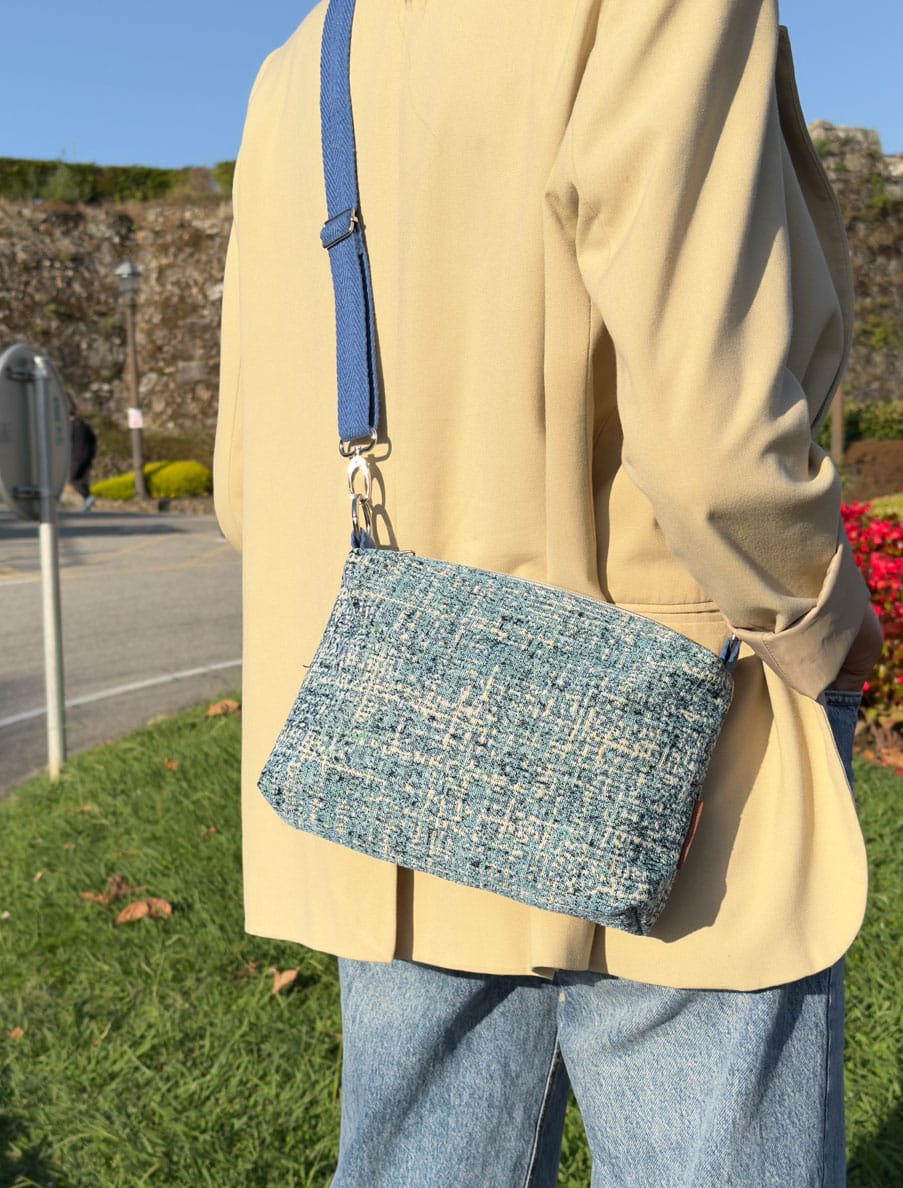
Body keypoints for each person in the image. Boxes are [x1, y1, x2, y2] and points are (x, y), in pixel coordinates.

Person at [214, 1, 883, 1183]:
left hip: (400, 733)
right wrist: (822, 621)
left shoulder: (303, 61)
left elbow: (243, 483)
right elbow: (715, 437)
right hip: (672, 722)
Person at [68, 404, 97, 511]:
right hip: (88, 455)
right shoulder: (85, 425)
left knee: (73, 479)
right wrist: (92, 453)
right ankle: (87, 502)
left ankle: (87, 497)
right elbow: (93, 440)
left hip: (76, 456)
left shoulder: (71, 427)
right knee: (83, 479)